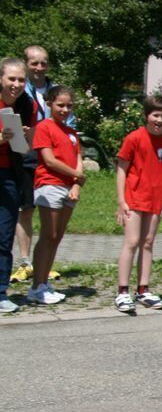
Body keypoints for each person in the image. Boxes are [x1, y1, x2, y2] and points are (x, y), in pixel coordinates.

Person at [113, 95, 162, 312]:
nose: (159, 120)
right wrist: (121, 201)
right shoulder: (134, 138)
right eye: (155, 115)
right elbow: (122, 169)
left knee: (148, 242)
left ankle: (143, 289)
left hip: (155, 201)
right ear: (146, 116)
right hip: (134, 198)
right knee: (132, 242)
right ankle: (123, 291)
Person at [13, 45, 72, 285]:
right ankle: (26, 262)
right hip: (27, 155)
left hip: (54, 159)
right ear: (26, 64)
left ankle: (45, 264)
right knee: (25, 209)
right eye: (34, 63)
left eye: (43, 63)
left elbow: (71, 125)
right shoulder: (18, 90)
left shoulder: (55, 91)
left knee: (52, 214)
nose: (39, 67)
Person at [26, 86, 82, 305]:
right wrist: (76, 174)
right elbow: (49, 160)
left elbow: (78, 155)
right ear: (49, 104)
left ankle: (44, 282)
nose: (65, 109)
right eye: (60, 105)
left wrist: (76, 182)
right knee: (48, 235)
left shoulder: (71, 132)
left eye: (69, 105)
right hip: (50, 184)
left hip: (69, 187)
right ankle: (36, 286)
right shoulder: (44, 127)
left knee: (57, 237)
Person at [0, 57, 38, 313]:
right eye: (11, 79)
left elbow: (29, 149)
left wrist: (26, 138)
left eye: (21, 80)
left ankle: (1, 292)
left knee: (4, 235)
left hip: (10, 174)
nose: (16, 84)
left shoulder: (28, 104)